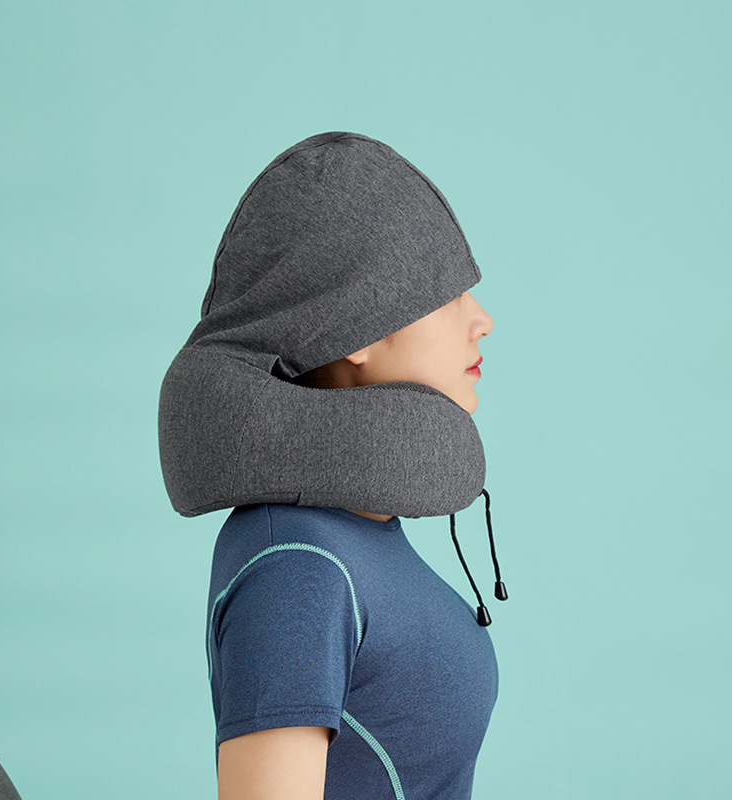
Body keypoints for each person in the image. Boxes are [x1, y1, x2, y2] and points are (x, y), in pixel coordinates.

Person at [156, 131, 509, 799]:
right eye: (447, 295)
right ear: (358, 327)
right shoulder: (297, 565)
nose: (482, 319)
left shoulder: (356, 531)